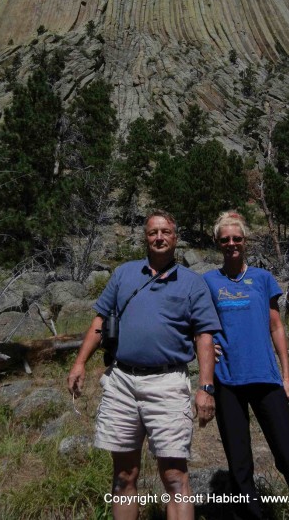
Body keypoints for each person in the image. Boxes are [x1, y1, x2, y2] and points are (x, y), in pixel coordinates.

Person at [67, 210, 221, 520]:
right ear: (145, 238)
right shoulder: (124, 274)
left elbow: (204, 336)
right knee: (124, 474)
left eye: (166, 232)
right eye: (153, 232)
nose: (160, 237)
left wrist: (206, 387)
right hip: (122, 381)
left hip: (167, 383)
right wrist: (79, 362)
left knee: (175, 476)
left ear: (175, 238)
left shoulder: (193, 283)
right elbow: (100, 320)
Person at [203, 211, 289, 520]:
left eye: (237, 238)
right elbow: (199, 326)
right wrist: (205, 345)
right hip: (227, 380)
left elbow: (276, 327)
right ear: (217, 243)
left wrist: (286, 375)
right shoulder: (208, 282)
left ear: (246, 241)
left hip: (266, 377)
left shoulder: (262, 279)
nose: (231, 243)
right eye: (225, 239)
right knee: (239, 463)